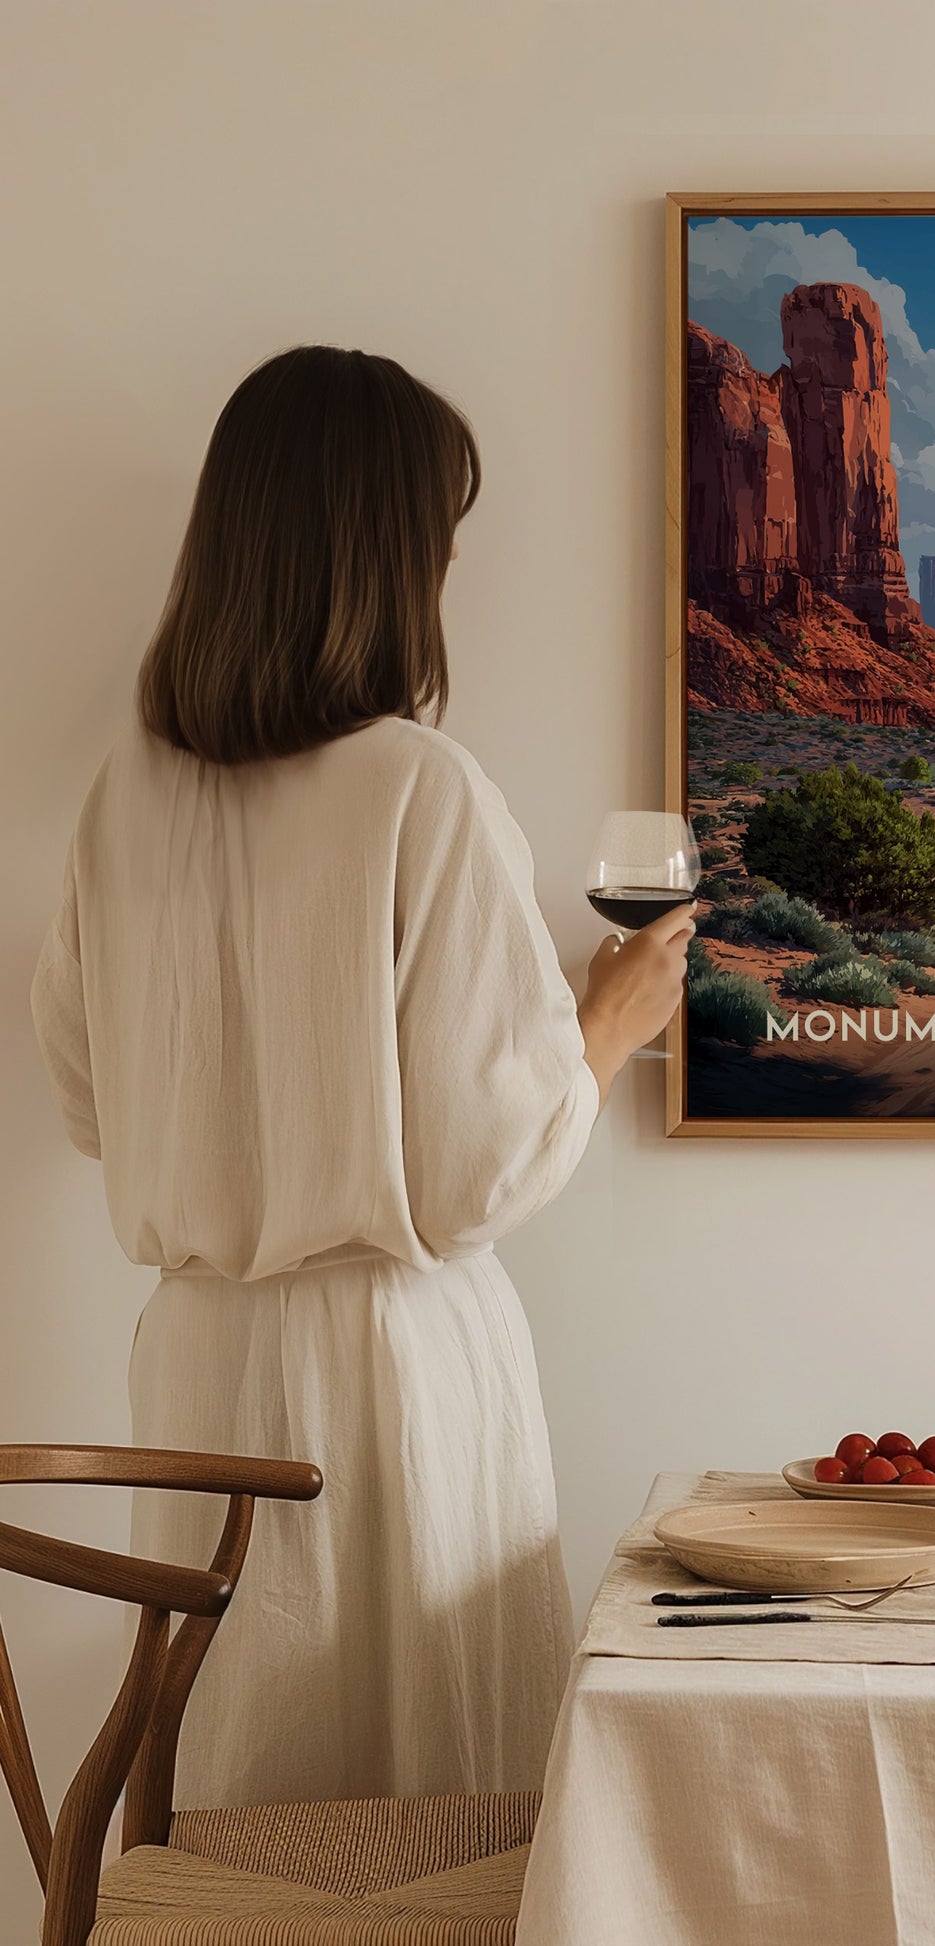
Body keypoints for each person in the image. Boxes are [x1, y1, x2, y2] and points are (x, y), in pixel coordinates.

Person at [30, 346, 692, 1808]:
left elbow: (88, 1100)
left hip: (195, 1361)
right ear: (386, 556)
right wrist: (608, 1021)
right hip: (393, 1370)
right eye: (438, 544)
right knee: (425, 1808)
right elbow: (476, 1172)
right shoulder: (418, 786)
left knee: (240, 1790)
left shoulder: (122, 796)